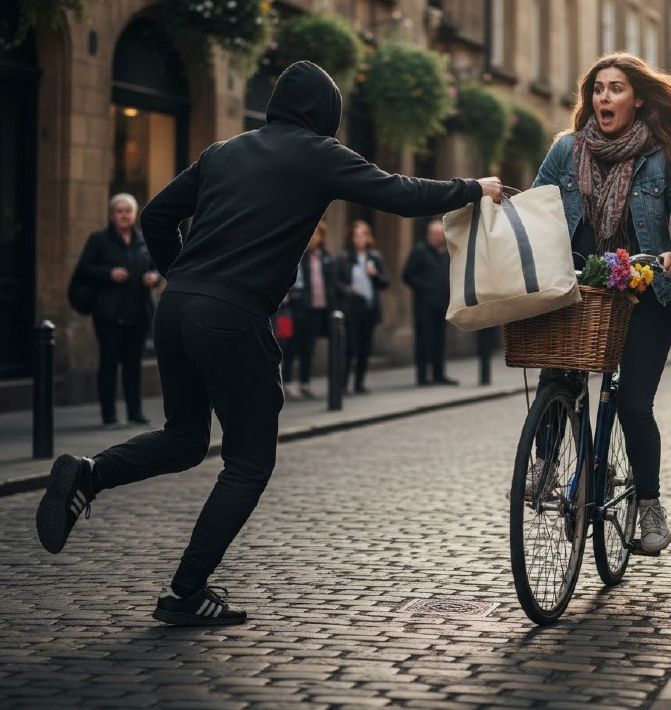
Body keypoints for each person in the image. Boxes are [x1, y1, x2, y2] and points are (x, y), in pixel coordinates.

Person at [35, 60, 503, 626]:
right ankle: (186, 593)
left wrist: (183, 277)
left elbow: (157, 217)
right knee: (249, 461)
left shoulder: (223, 151)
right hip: (232, 316)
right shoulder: (319, 154)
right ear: (324, 115)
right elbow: (400, 193)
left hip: (177, 308)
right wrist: (472, 188)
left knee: (185, 439)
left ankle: (89, 474)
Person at [531, 52, 671, 553]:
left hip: (643, 296)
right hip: (578, 290)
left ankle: (649, 507)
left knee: (634, 405)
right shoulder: (565, 152)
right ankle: (545, 465)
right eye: (597, 89)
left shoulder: (662, 156)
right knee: (557, 378)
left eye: (615, 89)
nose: (603, 98)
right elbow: (535, 211)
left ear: (636, 99)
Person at [73, 193, 160, 427]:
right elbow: (83, 269)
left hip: (138, 312)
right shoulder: (99, 240)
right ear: (111, 215)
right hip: (108, 313)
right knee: (109, 363)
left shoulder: (143, 240)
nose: (124, 215)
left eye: (128, 211)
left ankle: (135, 413)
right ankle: (109, 415)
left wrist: (155, 277)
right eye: (119, 211)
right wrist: (108, 273)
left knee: (133, 365)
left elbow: (156, 268)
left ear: (133, 215)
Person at [283, 221, 336, 399]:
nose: (314, 237)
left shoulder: (324, 257)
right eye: (312, 233)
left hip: (317, 308)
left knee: (309, 347)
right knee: (289, 346)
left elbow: (329, 282)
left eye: (318, 234)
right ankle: (287, 383)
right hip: (296, 308)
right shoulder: (298, 255)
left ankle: (305, 383)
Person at [334, 220, 388, 395]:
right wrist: (348, 289)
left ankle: (359, 384)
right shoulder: (344, 258)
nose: (359, 239)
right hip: (351, 308)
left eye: (363, 235)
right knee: (350, 347)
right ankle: (342, 385)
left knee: (365, 348)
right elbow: (336, 282)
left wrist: (375, 275)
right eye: (356, 235)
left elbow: (385, 282)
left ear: (368, 237)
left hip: (369, 308)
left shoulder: (374, 257)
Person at [402, 219, 458, 386]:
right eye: (434, 234)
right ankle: (422, 376)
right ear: (428, 235)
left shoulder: (444, 253)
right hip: (424, 305)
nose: (437, 237)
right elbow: (407, 275)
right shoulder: (420, 251)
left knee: (439, 341)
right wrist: (425, 287)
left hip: (441, 305)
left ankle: (439, 374)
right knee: (424, 341)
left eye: (439, 234)